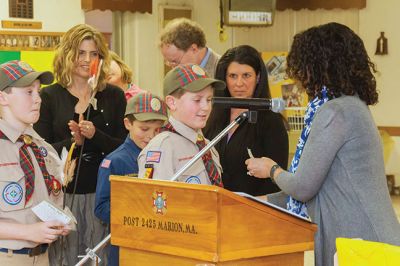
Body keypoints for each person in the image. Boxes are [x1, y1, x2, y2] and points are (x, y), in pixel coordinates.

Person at [244, 23, 400, 266]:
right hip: (367, 240)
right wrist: (251, 201)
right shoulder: (350, 106)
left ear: (315, 66)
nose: (298, 78)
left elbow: (303, 187)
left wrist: (271, 169)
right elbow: (316, 188)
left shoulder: (335, 111)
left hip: (364, 245)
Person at [33, 24, 127, 265]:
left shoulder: (113, 97)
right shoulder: (49, 96)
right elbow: (41, 151)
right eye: (81, 53)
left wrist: (96, 135)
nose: (87, 60)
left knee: (102, 258)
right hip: (62, 197)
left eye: (94, 54)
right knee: (65, 259)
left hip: (103, 196)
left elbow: (125, 149)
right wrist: (73, 142)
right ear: (67, 55)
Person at [0, 60, 70, 265]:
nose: (38, 99)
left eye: (38, 91)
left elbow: (51, 199)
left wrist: (59, 222)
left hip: (43, 257)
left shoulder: (43, 149)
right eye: (28, 92)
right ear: (3, 97)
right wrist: (28, 231)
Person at [203, 45, 288, 196]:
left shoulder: (271, 122)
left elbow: (276, 182)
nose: (239, 83)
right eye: (233, 76)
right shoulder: (210, 116)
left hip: (252, 210)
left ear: (258, 77)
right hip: (212, 206)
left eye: (246, 75)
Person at [94, 92, 168, 266]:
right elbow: (101, 207)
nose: (151, 136)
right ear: (128, 123)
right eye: (144, 129)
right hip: (126, 247)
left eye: (157, 130)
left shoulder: (165, 156)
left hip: (159, 246)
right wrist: (136, 213)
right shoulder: (114, 161)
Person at [138, 64, 225, 185]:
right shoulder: (161, 148)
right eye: (197, 100)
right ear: (172, 102)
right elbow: (156, 200)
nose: (206, 107)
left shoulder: (208, 146)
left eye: (209, 99)